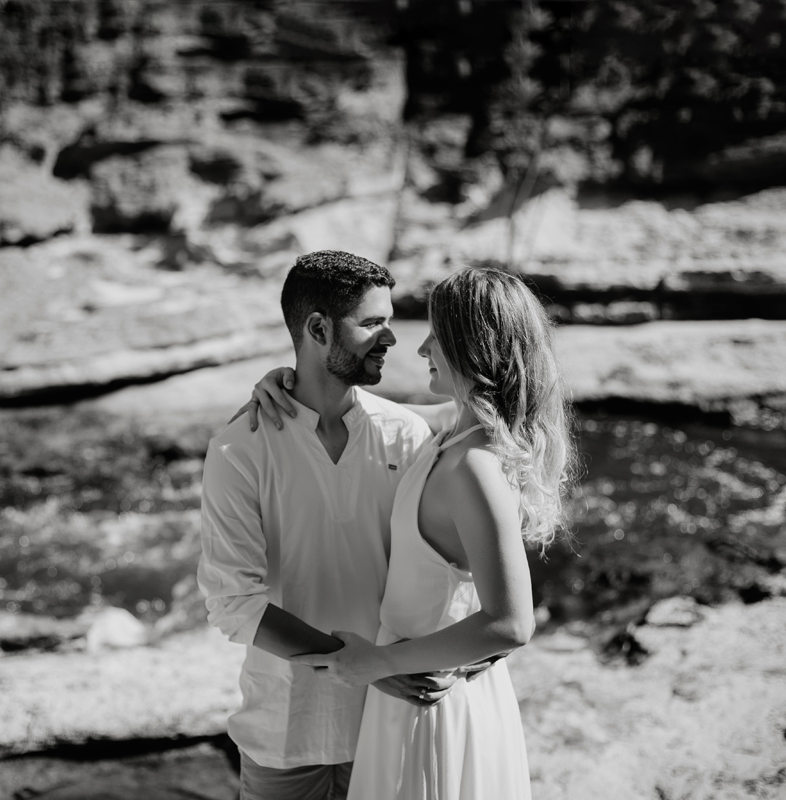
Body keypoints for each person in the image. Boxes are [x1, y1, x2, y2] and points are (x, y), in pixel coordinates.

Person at [262, 265, 575, 799]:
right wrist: (287, 385)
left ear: (473, 348)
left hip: (428, 702)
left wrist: (380, 663)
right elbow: (363, 413)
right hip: (410, 691)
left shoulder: (473, 468)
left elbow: (511, 622)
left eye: (437, 335)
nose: (423, 347)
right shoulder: (451, 431)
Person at [198, 250, 474, 800]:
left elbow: (482, 420)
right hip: (285, 732)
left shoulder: (407, 434)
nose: (391, 338)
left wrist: (387, 667)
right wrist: (371, 667)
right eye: (372, 323)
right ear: (319, 329)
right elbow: (234, 604)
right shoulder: (239, 449)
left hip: (392, 724)